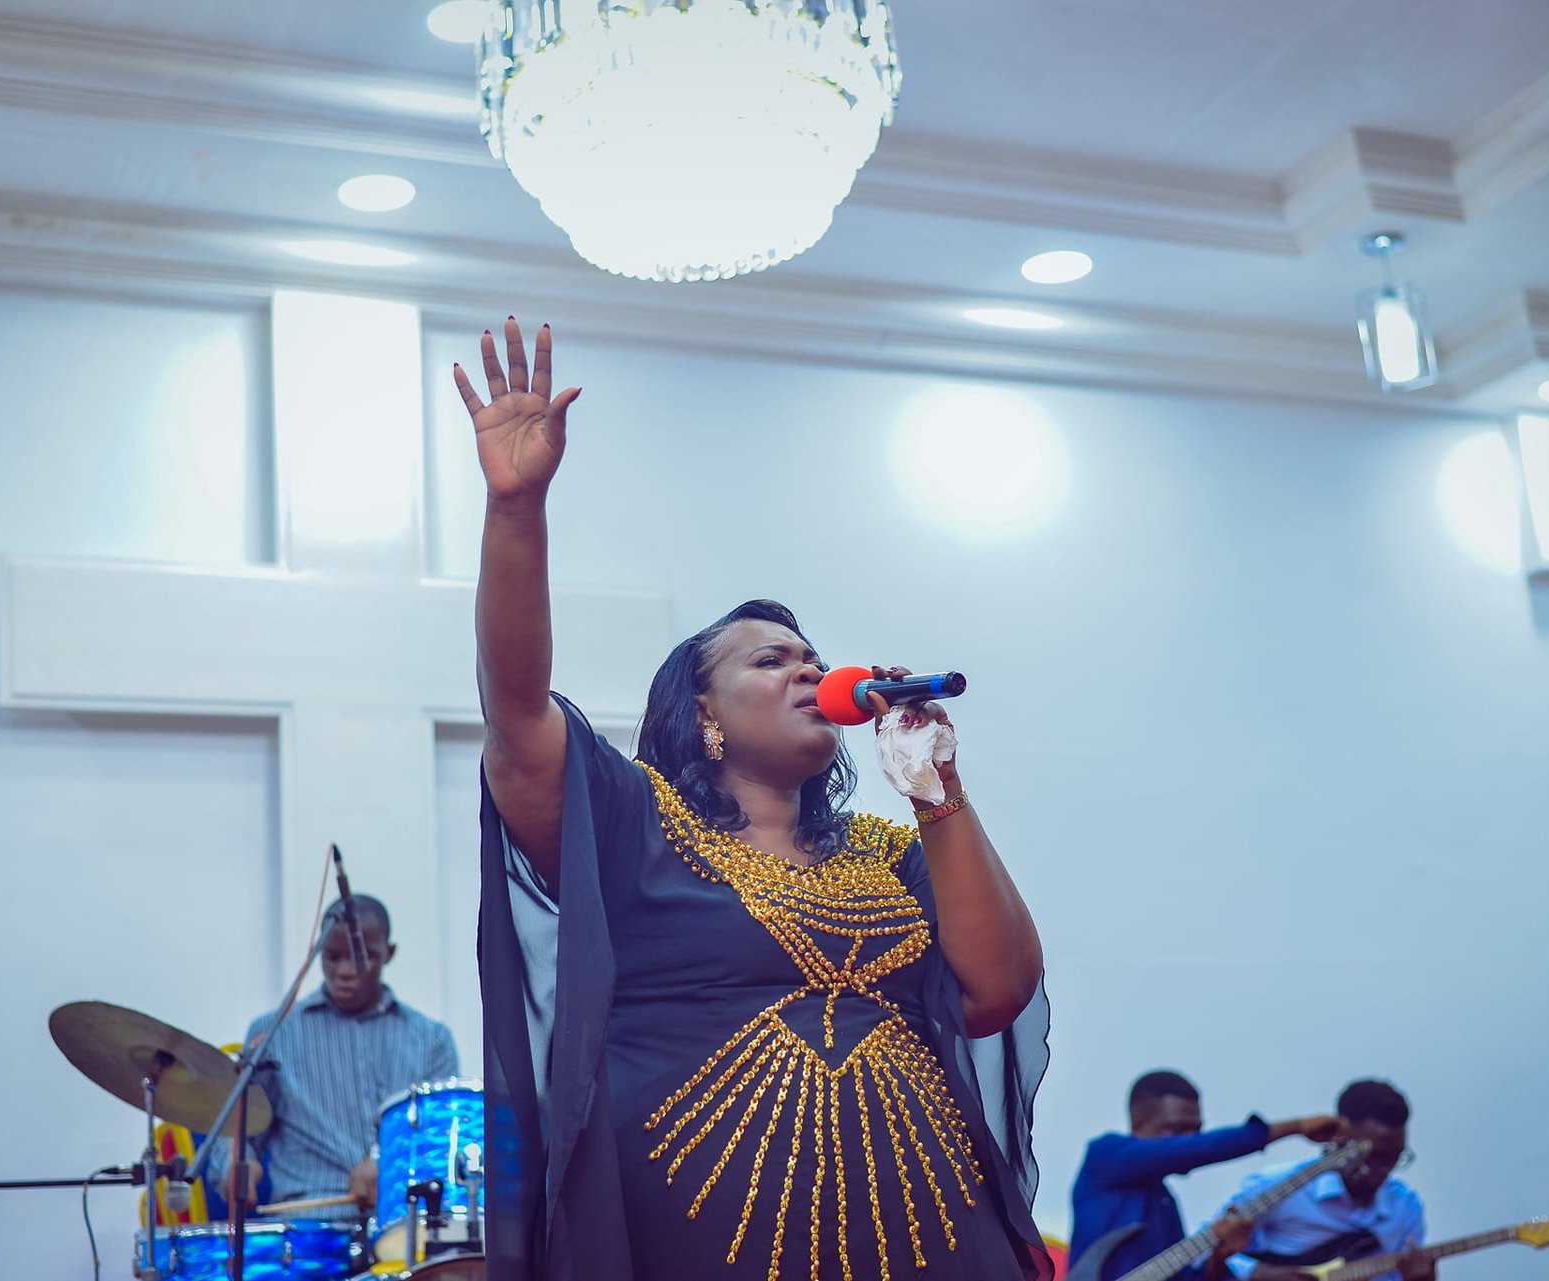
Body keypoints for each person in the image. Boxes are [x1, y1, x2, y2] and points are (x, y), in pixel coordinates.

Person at [457, 318, 1051, 1281]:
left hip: (931, 1234)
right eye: (772, 660)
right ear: (703, 713)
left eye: (814, 657)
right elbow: (518, 713)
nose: (810, 670)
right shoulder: (637, 820)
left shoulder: (885, 851)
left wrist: (938, 791)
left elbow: (999, 991)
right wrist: (515, 509)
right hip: (698, 1239)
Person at [204, 894, 459, 1217]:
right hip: (308, 1225)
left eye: (362, 957)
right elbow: (238, 1129)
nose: (345, 971)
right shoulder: (274, 1033)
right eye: (332, 957)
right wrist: (235, 1163)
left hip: (403, 1220)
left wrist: (386, 1163)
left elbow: (441, 1140)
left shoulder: (433, 1039)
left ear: (389, 953)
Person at [1069, 1070, 1345, 1280]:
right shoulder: (1104, 1156)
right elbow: (1203, 1148)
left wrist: (1219, 1255)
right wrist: (1297, 1126)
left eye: (1197, 1129)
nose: (1191, 1139)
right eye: (1178, 1129)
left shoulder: (1165, 1204)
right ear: (1138, 1121)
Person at [1217, 1080, 1430, 1281]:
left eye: (1395, 1157)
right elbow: (1205, 1249)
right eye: (1373, 1156)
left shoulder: (1406, 1206)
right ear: (1341, 1136)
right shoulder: (1278, 1186)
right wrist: (1260, 1273)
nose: (1384, 1170)